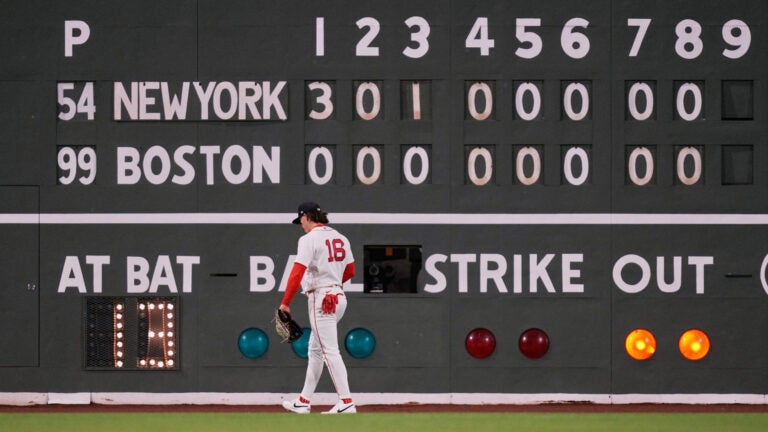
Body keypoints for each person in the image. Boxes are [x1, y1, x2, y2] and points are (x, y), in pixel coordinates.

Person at [280, 202, 357, 414]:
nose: (301, 225)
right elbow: (350, 271)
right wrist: (331, 280)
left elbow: (296, 273)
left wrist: (285, 302)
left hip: (321, 300)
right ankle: (304, 401)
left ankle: (346, 401)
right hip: (338, 297)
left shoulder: (308, 239)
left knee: (330, 351)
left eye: (301, 220)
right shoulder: (341, 237)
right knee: (315, 350)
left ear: (306, 216)